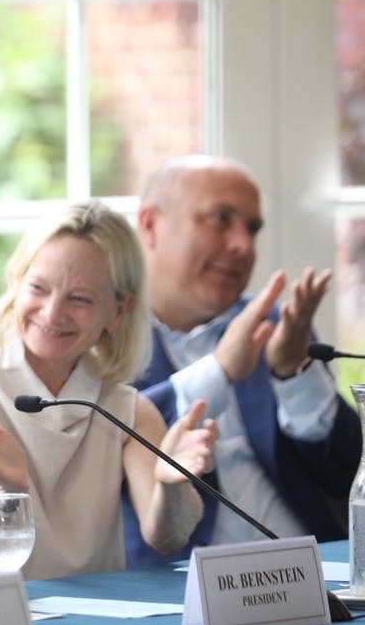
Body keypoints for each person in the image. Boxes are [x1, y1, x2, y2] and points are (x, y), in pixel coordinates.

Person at [0, 201, 218, 579]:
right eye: (38, 288)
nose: (52, 313)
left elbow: (168, 537)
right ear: (16, 284)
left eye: (80, 299)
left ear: (119, 311)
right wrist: (8, 489)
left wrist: (171, 484)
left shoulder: (124, 407)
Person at [122, 155, 362, 567]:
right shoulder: (103, 338)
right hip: (182, 591)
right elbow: (107, 446)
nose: (243, 246)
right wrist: (218, 373)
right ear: (150, 225)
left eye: (252, 229)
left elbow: (344, 470)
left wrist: (294, 373)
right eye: (220, 219)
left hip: (314, 580)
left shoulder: (272, 325)